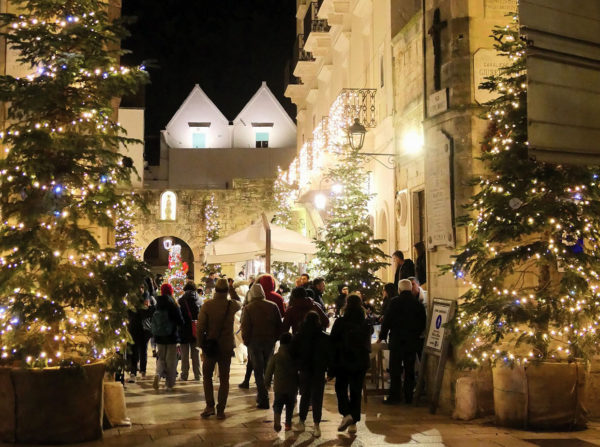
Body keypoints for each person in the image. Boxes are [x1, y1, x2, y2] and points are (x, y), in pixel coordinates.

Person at [197, 278, 242, 419]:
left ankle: (210, 406)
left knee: (207, 377)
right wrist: (232, 290)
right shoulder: (232, 304)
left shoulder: (207, 305)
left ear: (215, 290)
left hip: (211, 346)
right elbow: (240, 302)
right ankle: (221, 409)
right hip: (226, 347)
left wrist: (201, 345)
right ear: (226, 291)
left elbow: (200, 328)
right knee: (224, 379)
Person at [329, 294, 373, 434]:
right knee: (356, 390)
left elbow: (333, 343)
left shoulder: (340, 322)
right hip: (360, 361)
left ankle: (347, 414)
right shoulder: (366, 323)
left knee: (340, 388)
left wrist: (331, 366)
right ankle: (353, 422)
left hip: (343, 360)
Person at [378, 279, 426, 404]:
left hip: (397, 340)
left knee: (395, 369)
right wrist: (416, 334)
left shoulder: (395, 302)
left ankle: (395, 396)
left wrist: (382, 335)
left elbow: (387, 320)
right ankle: (409, 396)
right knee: (409, 368)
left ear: (399, 290)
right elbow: (422, 322)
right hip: (412, 341)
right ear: (410, 289)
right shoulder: (417, 304)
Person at [241, 283, 282, 409]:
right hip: (269, 341)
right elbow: (279, 325)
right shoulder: (273, 306)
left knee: (258, 370)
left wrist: (247, 341)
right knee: (267, 369)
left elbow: (245, 327)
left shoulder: (248, 308)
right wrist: (274, 338)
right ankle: (263, 394)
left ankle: (263, 397)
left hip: (254, 342)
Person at [291, 311, 331, 438]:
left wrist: (296, 367)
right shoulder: (325, 337)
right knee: (317, 398)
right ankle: (316, 425)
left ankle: (302, 421)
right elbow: (329, 356)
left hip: (304, 369)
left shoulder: (299, 336)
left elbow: (293, 354)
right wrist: (330, 371)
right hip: (319, 370)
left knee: (305, 396)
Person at [152, 283, 184, 392]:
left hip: (159, 336)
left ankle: (158, 374)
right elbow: (180, 320)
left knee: (161, 358)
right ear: (171, 291)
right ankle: (169, 384)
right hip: (171, 337)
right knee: (171, 361)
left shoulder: (158, 303)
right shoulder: (173, 304)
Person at [265, 332, 298, 432]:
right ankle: (288, 424)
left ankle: (277, 421)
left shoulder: (276, 357)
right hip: (292, 388)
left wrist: (266, 383)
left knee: (278, 405)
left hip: (279, 387)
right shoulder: (295, 357)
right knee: (290, 406)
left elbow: (269, 371)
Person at [127, 287, 155, 383]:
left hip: (136, 328)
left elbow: (129, 314)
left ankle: (135, 372)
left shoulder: (132, 300)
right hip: (142, 329)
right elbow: (150, 312)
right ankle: (140, 372)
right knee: (142, 350)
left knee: (138, 350)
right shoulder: (147, 299)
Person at [178, 281, 201, 381]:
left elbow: (179, 316)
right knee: (195, 353)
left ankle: (184, 374)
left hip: (184, 330)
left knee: (184, 354)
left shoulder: (181, 300)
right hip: (195, 329)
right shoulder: (199, 300)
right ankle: (198, 375)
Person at [408, 276, 428, 360]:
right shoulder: (407, 299)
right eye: (409, 285)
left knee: (422, 359)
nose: (411, 287)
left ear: (418, 285)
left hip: (423, 335)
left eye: (413, 284)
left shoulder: (427, 296)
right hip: (411, 335)